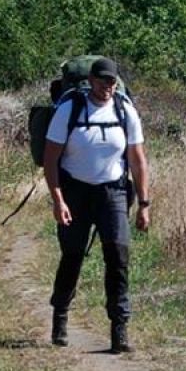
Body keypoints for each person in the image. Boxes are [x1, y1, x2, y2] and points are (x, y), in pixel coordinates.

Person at [42, 57, 151, 353]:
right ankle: (60, 316)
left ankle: (120, 329)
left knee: (118, 256)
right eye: (103, 81)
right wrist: (58, 199)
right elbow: (51, 159)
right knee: (73, 255)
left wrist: (144, 203)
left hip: (112, 193)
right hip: (75, 192)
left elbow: (137, 160)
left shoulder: (124, 110)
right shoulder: (70, 109)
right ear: (90, 80)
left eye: (112, 82)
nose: (107, 87)